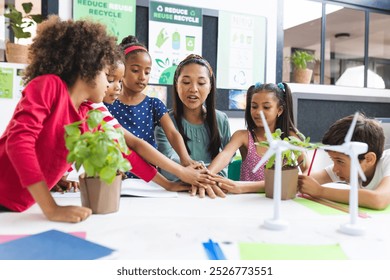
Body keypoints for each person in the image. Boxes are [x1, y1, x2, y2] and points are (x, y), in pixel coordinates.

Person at [0, 16, 118, 222]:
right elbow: (19, 142)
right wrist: (52, 209)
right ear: (87, 67)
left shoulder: (87, 114)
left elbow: (128, 151)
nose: (109, 85)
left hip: (15, 209)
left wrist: (171, 183)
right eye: (106, 75)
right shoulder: (49, 86)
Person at [88, 50, 210, 192]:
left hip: (143, 181)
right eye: (110, 80)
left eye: (147, 72)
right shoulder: (99, 106)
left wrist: (182, 166)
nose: (117, 87)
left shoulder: (98, 111)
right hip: (101, 181)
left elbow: (132, 149)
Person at [105, 36, 194, 179]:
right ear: (121, 70)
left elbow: (172, 133)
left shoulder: (154, 104)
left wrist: (186, 160)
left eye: (147, 72)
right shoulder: (107, 103)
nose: (142, 77)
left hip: (150, 178)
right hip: (114, 175)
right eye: (135, 70)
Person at [208, 82, 308, 194]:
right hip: (247, 202)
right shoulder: (242, 136)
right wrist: (207, 176)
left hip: (280, 201)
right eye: (254, 106)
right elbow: (225, 155)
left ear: (279, 110)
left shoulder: (290, 137)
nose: (258, 112)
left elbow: (307, 170)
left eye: (266, 107)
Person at [155, 54, 231, 198]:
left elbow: (228, 156)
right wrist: (200, 176)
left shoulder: (221, 120)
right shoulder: (165, 122)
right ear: (176, 84)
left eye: (201, 83)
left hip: (216, 193)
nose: (193, 89)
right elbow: (168, 162)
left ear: (210, 87)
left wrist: (201, 177)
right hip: (177, 196)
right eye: (186, 82)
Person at [298, 113, 390, 210]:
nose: (335, 169)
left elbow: (378, 200)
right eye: (333, 160)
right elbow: (308, 181)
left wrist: (320, 191)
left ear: (369, 159)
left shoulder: (388, 160)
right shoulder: (352, 169)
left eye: (340, 161)